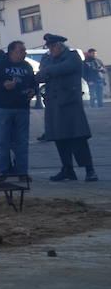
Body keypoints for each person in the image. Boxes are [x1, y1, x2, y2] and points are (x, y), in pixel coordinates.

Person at [38, 34, 97, 182]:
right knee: (60, 139)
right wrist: (47, 70)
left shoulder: (72, 56)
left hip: (70, 104)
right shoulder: (49, 58)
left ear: (59, 46)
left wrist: (48, 69)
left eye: (52, 47)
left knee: (78, 138)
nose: (50, 50)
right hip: (54, 105)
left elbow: (61, 69)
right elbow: (41, 75)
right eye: (49, 47)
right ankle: (67, 169)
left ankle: (89, 170)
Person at [0, 41, 36, 179]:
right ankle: (2, 171)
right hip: (4, 108)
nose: (24, 53)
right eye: (21, 50)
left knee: (22, 142)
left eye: (24, 50)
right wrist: (3, 85)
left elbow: (34, 83)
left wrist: (32, 90)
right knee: (3, 141)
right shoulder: (0, 65)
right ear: (12, 52)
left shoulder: (27, 66)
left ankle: (22, 172)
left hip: (22, 108)